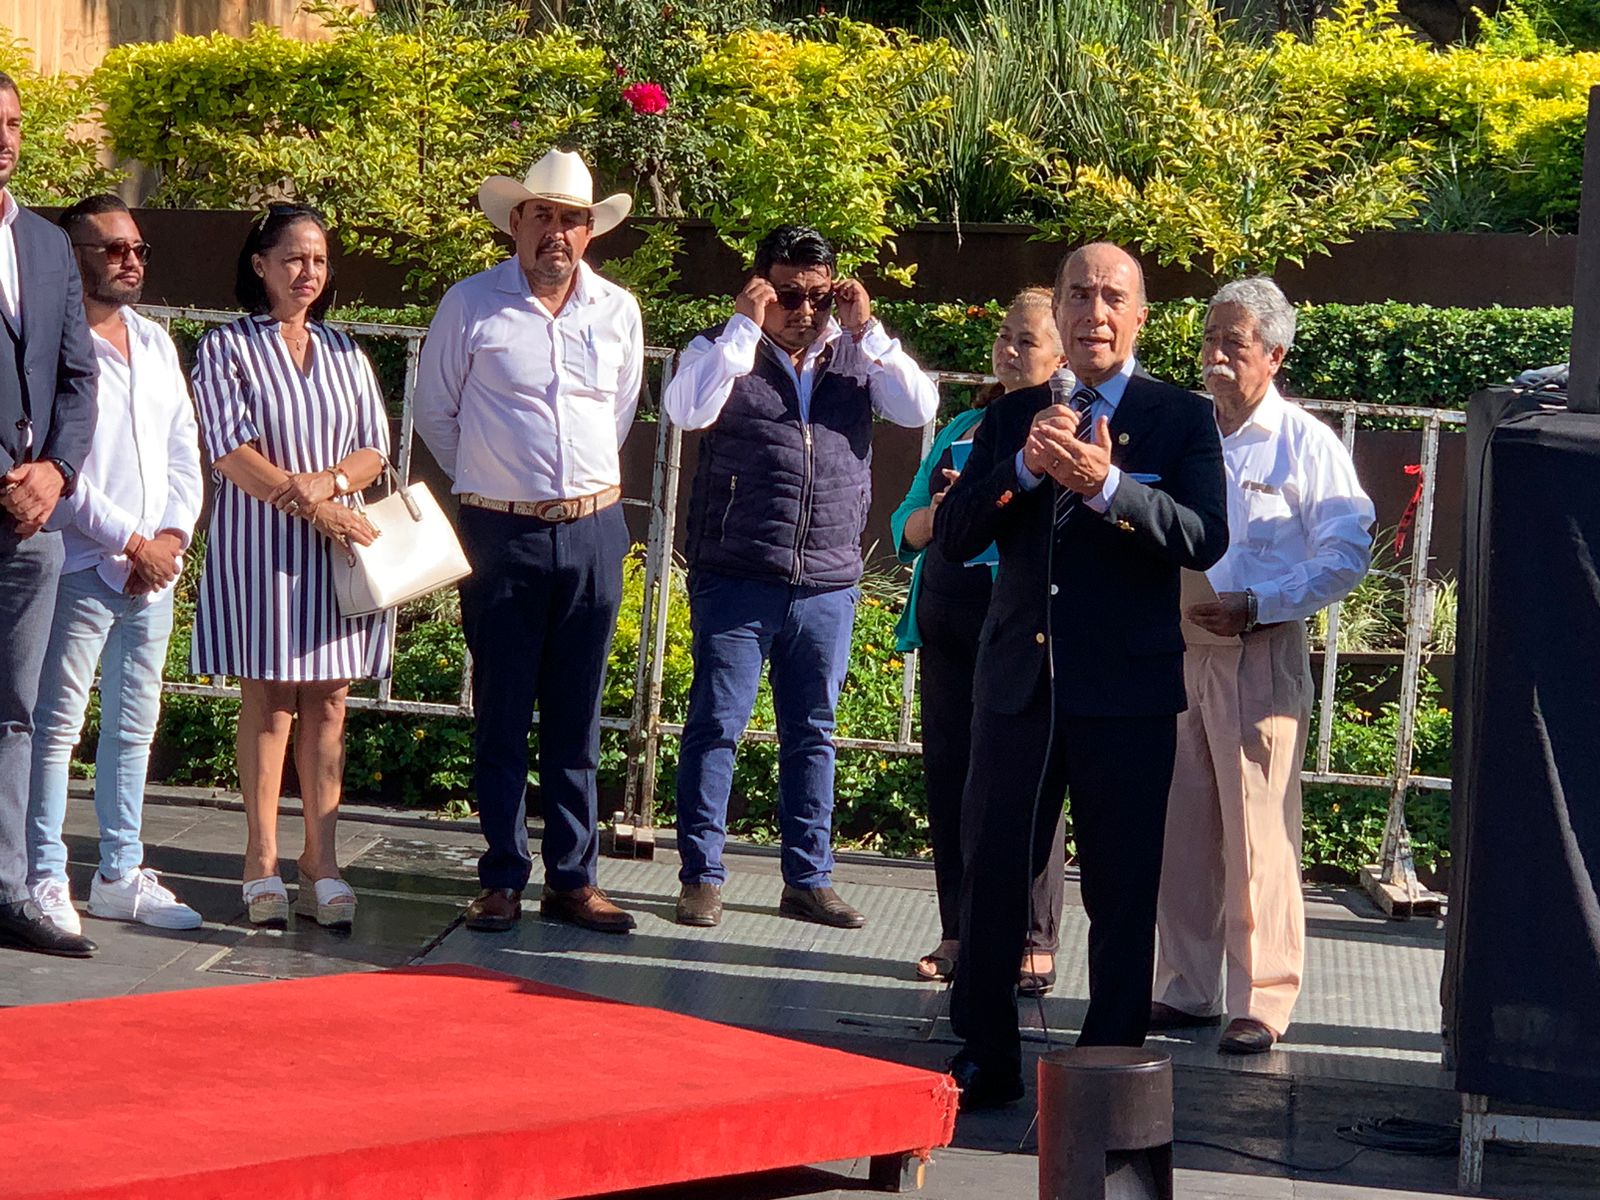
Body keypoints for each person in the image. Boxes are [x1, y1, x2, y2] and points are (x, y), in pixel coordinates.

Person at [934, 243, 1229, 1108]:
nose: (1094, 312)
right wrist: (1024, 470)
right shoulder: (1013, 417)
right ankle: (985, 1050)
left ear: (1139, 316)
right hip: (1018, 686)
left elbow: (1204, 536)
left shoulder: (1180, 418)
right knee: (995, 872)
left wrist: (1108, 489)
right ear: (1058, 311)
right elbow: (953, 535)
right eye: (1079, 295)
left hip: (1125, 693)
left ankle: (1107, 1063)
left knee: (1121, 887)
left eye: (1112, 297)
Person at [664, 225, 938, 930]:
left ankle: (809, 878)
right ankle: (701, 875)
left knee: (813, 731)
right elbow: (685, 410)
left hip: (827, 578)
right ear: (761, 288)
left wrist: (867, 329)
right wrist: (742, 327)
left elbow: (919, 407)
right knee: (716, 725)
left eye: (819, 296)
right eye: (788, 295)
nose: (805, 311)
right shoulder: (722, 349)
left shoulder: (856, 355)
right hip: (738, 573)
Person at [414, 149, 643, 936]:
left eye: (571, 219)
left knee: (579, 715)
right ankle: (503, 876)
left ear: (590, 231)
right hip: (500, 531)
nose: (557, 233)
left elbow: (618, 413)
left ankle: (573, 880)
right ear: (516, 222)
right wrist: (494, 483)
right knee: (503, 711)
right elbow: (436, 413)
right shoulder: (470, 304)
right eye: (542, 215)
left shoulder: (618, 310)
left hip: (593, 530)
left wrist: (570, 494)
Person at [1152, 277, 1374, 1053]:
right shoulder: (1184, 432)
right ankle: (1184, 990)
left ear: (1274, 355)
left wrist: (1261, 602)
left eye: (1233, 344)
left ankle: (1262, 1001)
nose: (1214, 356)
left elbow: (1347, 553)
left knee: (1258, 831)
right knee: (1181, 830)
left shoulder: (1307, 443)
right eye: (1208, 340)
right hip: (1180, 648)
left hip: (1259, 650)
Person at [190, 203, 391, 929]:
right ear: (260, 264)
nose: (309, 272)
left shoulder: (345, 351)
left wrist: (330, 486)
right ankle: (262, 858)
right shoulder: (227, 346)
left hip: (338, 548)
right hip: (262, 545)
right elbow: (229, 450)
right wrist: (309, 504)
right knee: (271, 698)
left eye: (319, 260)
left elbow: (374, 449)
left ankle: (322, 860)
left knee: (331, 700)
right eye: (294, 258)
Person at [25, 196, 204, 935]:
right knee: (55, 728)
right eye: (113, 249)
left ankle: (120, 872)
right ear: (74, 259)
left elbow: (183, 449)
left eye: (138, 249)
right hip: (81, 562)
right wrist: (131, 541)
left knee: (134, 726)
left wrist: (170, 538)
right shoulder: (50, 345)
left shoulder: (155, 342)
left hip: (153, 571)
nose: (131, 261)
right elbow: (55, 464)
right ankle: (41, 873)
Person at [891, 287, 1069, 993]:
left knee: (1026, 782)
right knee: (951, 777)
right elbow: (906, 524)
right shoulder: (965, 424)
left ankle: (1032, 937)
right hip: (948, 622)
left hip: (1019, 627)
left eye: (1027, 340)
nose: (1008, 350)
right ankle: (958, 930)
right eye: (1003, 336)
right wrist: (943, 513)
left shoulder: (1069, 430)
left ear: (1060, 358)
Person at [0, 73, 101, 959]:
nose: (4, 138)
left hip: (30, 525)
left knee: (15, 712)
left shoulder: (44, 242)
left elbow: (77, 376)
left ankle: (4, 889)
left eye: (13, 123)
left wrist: (57, 473)